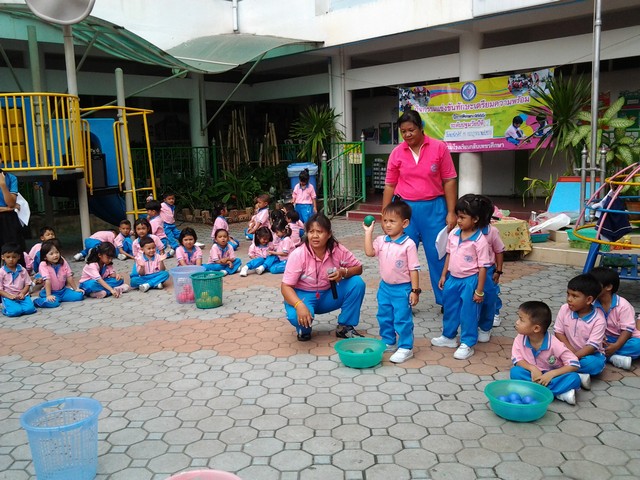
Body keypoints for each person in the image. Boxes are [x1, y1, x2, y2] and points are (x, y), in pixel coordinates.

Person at [382, 109, 457, 307]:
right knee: (402, 256)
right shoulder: (397, 153)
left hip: (435, 209)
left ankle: (446, 301)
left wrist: (451, 212)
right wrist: (385, 215)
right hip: (405, 211)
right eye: (403, 131)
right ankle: (404, 300)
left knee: (438, 255)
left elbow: (449, 180)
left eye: (411, 130)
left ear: (421, 128)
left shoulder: (439, 148)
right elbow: (390, 185)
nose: (407, 134)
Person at [281, 213, 366, 341]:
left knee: (357, 283)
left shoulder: (337, 249)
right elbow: (285, 287)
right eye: (311, 232)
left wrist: (343, 272)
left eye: (319, 232)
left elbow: (358, 268)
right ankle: (304, 330)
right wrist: (299, 305)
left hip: (328, 295)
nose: (315, 236)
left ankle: (345, 327)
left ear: (329, 234)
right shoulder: (298, 254)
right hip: (304, 296)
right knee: (296, 317)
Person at [432, 195, 492, 360]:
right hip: (452, 279)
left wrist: (479, 291)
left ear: (475, 219)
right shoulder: (454, 234)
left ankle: (467, 343)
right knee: (450, 308)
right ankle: (448, 336)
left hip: (470, 281)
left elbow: (483, 267)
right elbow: (449, 255)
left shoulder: (480, 241)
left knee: (468, 313)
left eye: (462, 217)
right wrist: (443, 275)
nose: (458, 220)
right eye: (458, 216)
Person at [363, 200, 421, 364]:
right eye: (385, 220)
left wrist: (415, 291)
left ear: (405, 223)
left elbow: (414, 269)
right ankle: (389, 341)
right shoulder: (381, 240)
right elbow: (369, 252)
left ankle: (406, 347)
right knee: (384, 316)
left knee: (402, 318)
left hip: (402, 289)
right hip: (385, 287)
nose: (387, 225)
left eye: (392, 221)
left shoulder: (409, 244)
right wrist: (368, 232)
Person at [510, 301, 582, 405]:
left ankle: (531, 392)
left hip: (553, 377)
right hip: (532, 375)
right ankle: (558, 394)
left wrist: (551, 374)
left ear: (536, 328)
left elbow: (574, 364)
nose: (517, 322)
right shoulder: (520, 338)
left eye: (521, 320)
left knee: (574, 378)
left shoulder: (555, 344)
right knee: (515, 372)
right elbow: (517, 360)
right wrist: (532, 368)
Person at [554, 273, 607, 391]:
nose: (569, 299)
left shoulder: (599, 320)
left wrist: (573, 358)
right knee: (548, 356)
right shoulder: (564, 309)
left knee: (593, 364)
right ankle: (577, 375)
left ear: (589, 300)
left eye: (574, 296)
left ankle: (563, 372)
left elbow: (591, 347)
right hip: (566, 352)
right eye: (568, 294)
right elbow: (558, 333)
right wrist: (570, 354)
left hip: (588, 355)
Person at [590, 267, 640, 370]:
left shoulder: (623, 305)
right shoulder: (591, 303)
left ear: (608, 287)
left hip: (624, 339)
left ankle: (606, 356)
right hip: (602, 339)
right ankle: (613, 358)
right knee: (584, 342)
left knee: (637, 345)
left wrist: (616, 346)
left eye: (593, 284)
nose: (590, 287)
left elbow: (627, 330)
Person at [476, 195, 505, 339]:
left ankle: (494, 314)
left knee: (490, 294)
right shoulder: (465, 231)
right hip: (471, 270)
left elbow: (499, 251)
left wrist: (498, 271)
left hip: (488, 270)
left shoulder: (492, 231)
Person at [33, 239, 84, 308]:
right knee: (53, 303)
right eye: (51, 254)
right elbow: (47, 280)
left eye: (57, 252)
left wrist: (75, 289)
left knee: (79, 295)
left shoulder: (62, 261)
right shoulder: (43, 264)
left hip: (63, 291)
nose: (55, 255)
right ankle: (38, 301)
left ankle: (60, 298)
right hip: (51, 292)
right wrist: (49, 295)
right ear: (45, 257)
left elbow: (69, 276)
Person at [0, 243, 36, 317]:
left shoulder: (22, 270)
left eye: (14, 257)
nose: (11, 259)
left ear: (18, 257)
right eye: (8, 257)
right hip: (8, 297)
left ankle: (19, 306)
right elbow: (0, 289)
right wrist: (9, 296)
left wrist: (23, 293)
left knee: (30, 310)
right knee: (15, 312)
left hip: (22, 296)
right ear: (3, 257)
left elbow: (28, 284)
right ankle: (5, 309)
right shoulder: (1, 271)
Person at [0, 156, 25, 258]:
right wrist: (6, 208)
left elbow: (11, 203)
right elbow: (11, 206)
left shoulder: (11, 178)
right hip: (7, 211)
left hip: (8, 219)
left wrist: (3, 185)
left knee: (14, 251)